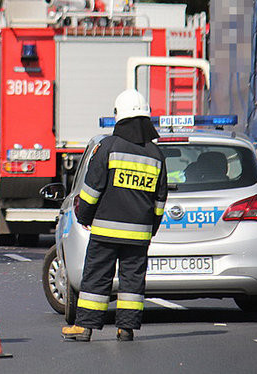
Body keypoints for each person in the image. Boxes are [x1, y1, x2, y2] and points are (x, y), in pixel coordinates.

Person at [62, 89, 168, 342]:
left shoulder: (108, 147)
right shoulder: (156, 155)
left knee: (97, 277)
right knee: (132, 282)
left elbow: (91, 189)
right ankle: (126, 329)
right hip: (139, 233)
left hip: (106, 231)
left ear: (119, 116)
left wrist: (84, 216)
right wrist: (150, 228)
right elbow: (160, 200)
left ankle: (85, 327)